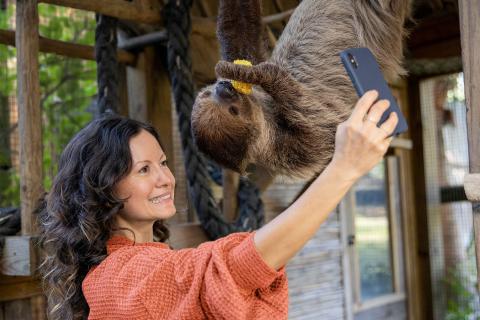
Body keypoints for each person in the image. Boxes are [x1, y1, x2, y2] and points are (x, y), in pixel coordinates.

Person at [37, 90, 397, 320]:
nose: (165, 178)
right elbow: (235, 268)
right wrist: (343, 169)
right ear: (106, 187)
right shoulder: (122, 277)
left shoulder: (132, 266)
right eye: (143, 169)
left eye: (162, 163)